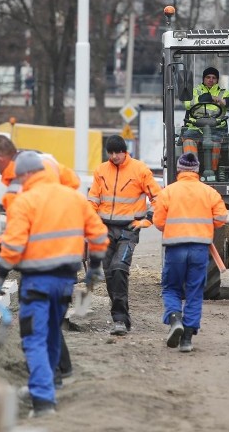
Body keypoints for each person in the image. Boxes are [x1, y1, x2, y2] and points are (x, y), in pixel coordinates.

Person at [0, 151, 108, 417]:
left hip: (36, 283)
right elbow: (99, 234)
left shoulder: (25, 201)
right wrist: (97, 267)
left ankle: (43, 400)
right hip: (65, 282)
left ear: (25, 175)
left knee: (34, 338)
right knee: (54, 333)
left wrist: (1, 273)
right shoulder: (74, 198)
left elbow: (13, 245)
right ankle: (50, 384)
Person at [0, 134, 80, 384]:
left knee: (38, 326)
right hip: (64, 252)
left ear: (1, 157)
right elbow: (73, 182)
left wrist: (5, 249)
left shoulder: (18, 181)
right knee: (51, 320)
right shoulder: (45, 160)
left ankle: (50, 377)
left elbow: (18, 223)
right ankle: (62, 370)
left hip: (42, 258)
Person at [87, 135, 161, 336]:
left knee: (119, 269)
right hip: (104, 229)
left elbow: (158, 198)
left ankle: (119, 319)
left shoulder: (140, 170)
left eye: (116, 152)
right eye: (110, 153)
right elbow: (92, 200)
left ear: (124, 151)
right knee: (110, 273)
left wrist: (148, 220)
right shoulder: (101, 171)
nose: (113, 156)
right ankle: (121, 317)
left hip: (129, 229)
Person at [153, 152, 227, 353]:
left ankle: (175, 319)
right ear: (197, 171)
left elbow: (158, 222)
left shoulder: (167, 192)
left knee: (171, 288)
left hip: (175, 248)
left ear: (178, 170)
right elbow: (221, 218)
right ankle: (186, 339)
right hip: (199, 249)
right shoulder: (209, 192)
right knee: (194, 292)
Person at [0, 135, 81, 211]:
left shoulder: (13, 191)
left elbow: (16, 228)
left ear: (0, 158)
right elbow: (74, 181)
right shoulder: (46, 162)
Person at [181, 66, 229, 181]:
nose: (210, 80)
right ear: (203, 79)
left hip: (217, 130)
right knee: (188, 141)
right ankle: (192, 174)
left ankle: (213, 173)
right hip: (195, 128)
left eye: (214, 78)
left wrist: (226, 101)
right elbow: (187, 103)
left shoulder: (224, 93)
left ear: (217, 80)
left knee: (215, 143)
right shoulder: (195, 91)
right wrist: (208, 97)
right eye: (208, 77)